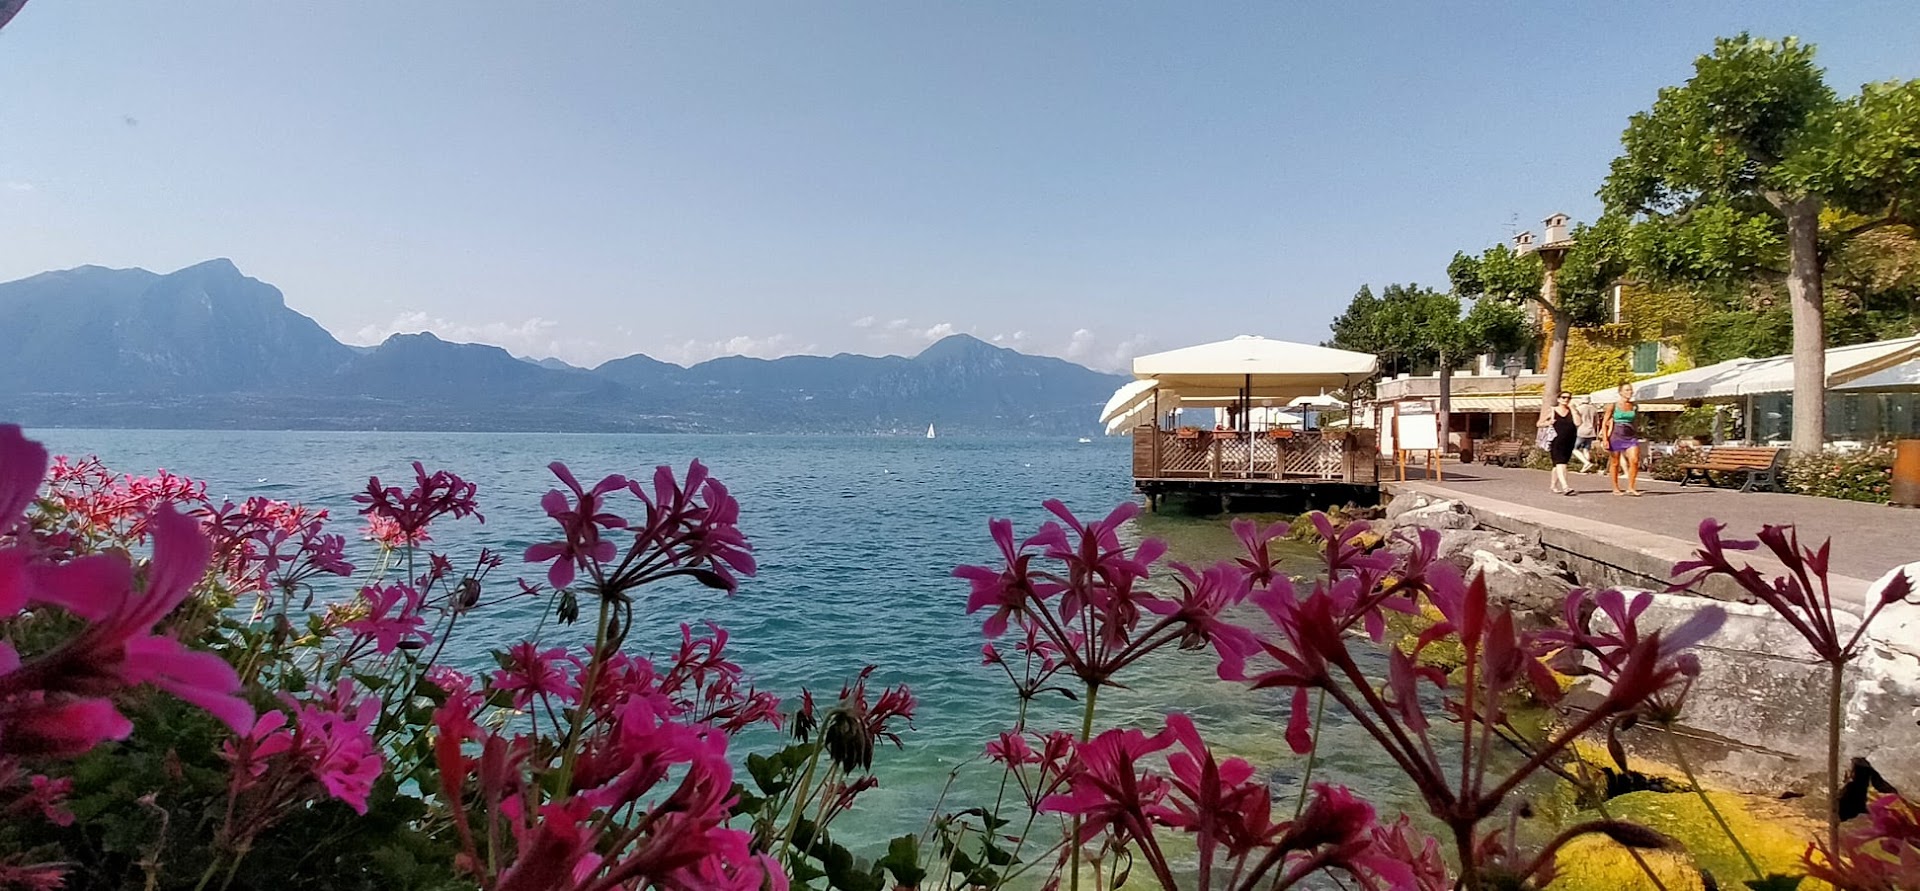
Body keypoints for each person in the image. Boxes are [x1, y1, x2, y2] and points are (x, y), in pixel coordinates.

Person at [1600, 381, 1644, 496]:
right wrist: (1605, 439)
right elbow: (1604, 422)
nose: (1630, 392)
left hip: (1630, 435)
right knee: (1615, 462)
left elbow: (1636, 421)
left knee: (1634, 460)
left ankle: (1631, 487)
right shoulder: (1613, 405)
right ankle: (1615, 487)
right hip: (1616, 435)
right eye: (1627, 390)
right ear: (1620, 392)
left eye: (1630, 390)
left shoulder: (1634, 406)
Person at [1537, 391, 1580, 495]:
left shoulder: (1572, 411)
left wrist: (1573, 409)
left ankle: (1553, 485)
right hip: (1556, 440)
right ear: (1558, 399)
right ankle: (1565, 487)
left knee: (1558, 465)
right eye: (1563, 397)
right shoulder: (1552, 411)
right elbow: (1539, 424)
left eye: (1568, 398)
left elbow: (1578, 423)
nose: (1566, 400)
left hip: (1569, 440)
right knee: (1561, 463)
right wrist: (1548, 423)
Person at [1571, 397, 1597, 472]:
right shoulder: (1594, 409)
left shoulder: (1579, 408)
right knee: (1586, 449)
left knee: (1574, 448)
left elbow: (1575, 419)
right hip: (1591, 430)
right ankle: (1585, 467)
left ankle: (1586, 463)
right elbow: (1596, 422)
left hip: (1581, 430)